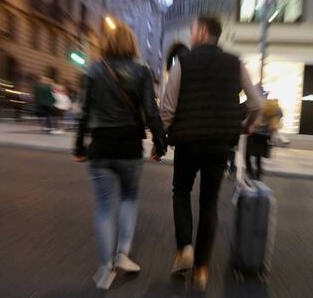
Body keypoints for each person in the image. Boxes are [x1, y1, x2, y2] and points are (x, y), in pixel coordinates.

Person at [158, 16, 263, 291]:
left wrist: (162, 138)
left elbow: (168, 108)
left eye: (192, 30)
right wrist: (247, 126)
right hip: (219, 144)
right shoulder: (235, 63)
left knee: (181, 190)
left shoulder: (183, 62)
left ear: (202, 31)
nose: (191, 35)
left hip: (188, 142)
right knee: (209, 202)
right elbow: (256, 103)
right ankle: (202, 268)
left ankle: (185, 249)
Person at [73, 21, 166, 290]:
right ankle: (122, 252)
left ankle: (105, 269)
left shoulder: (93, 69)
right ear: (132, 45)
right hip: (129, 149)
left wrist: (79, 147)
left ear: (108, 44)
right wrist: (160, 143)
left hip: (100, 148)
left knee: (104, 207)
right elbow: (151, 111)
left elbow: (84, 112)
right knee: (129, 197)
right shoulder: (142, 71)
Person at [246, 95, 282, 180]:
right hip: (264, 139)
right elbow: (274, 128)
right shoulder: (274, 116)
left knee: (247, 157)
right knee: (258, 160)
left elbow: (252, 123)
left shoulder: (260, 113)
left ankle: (251, 176)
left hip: (254, 137)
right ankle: (257, 179)